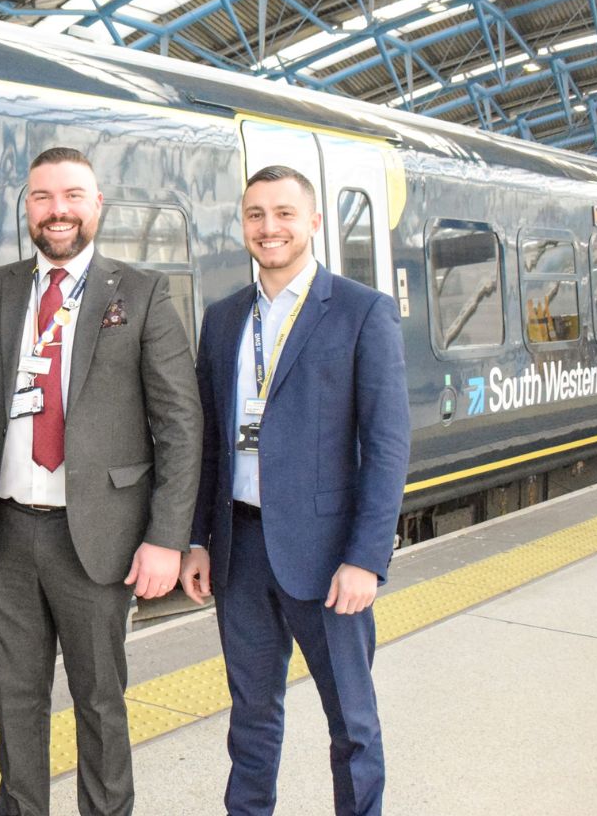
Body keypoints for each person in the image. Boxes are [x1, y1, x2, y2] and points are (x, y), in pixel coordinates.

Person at [0, 146, 202, 815]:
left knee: (101, 703)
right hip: (5, 533)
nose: (58, 211)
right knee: (15, 703)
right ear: (27, 207)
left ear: (97, 204)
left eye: (73, 196)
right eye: (43, 197)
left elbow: (179, 421)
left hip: (100, 536)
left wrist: (167, 537)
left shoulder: (141, 292)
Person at [179, 165, 411, 816]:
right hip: (241, 551)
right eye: (255, 214)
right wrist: (197, 538)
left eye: (284, 213)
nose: (269, 227)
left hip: (329, 556)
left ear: (313, 221)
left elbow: (387, 445)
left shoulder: (362, 311)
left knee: (352, 723)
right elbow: (210, 442)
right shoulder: (224, 319)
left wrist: (366, 558)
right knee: (251, 720)